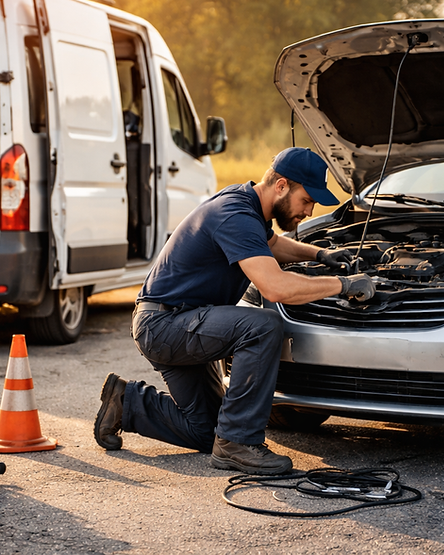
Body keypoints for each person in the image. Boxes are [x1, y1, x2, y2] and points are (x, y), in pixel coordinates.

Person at [94, 147, 375, 474]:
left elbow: (270, 244)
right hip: (166, 325)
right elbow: (276, 287)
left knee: (206, 432)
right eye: (306, 200)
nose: (309, 212)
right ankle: (239, 444)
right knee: (263, 326)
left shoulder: (246, 205)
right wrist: (343, 284)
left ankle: (124, 402)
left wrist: (320, 255)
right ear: (281, 186)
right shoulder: (236, 215)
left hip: (175, 323)